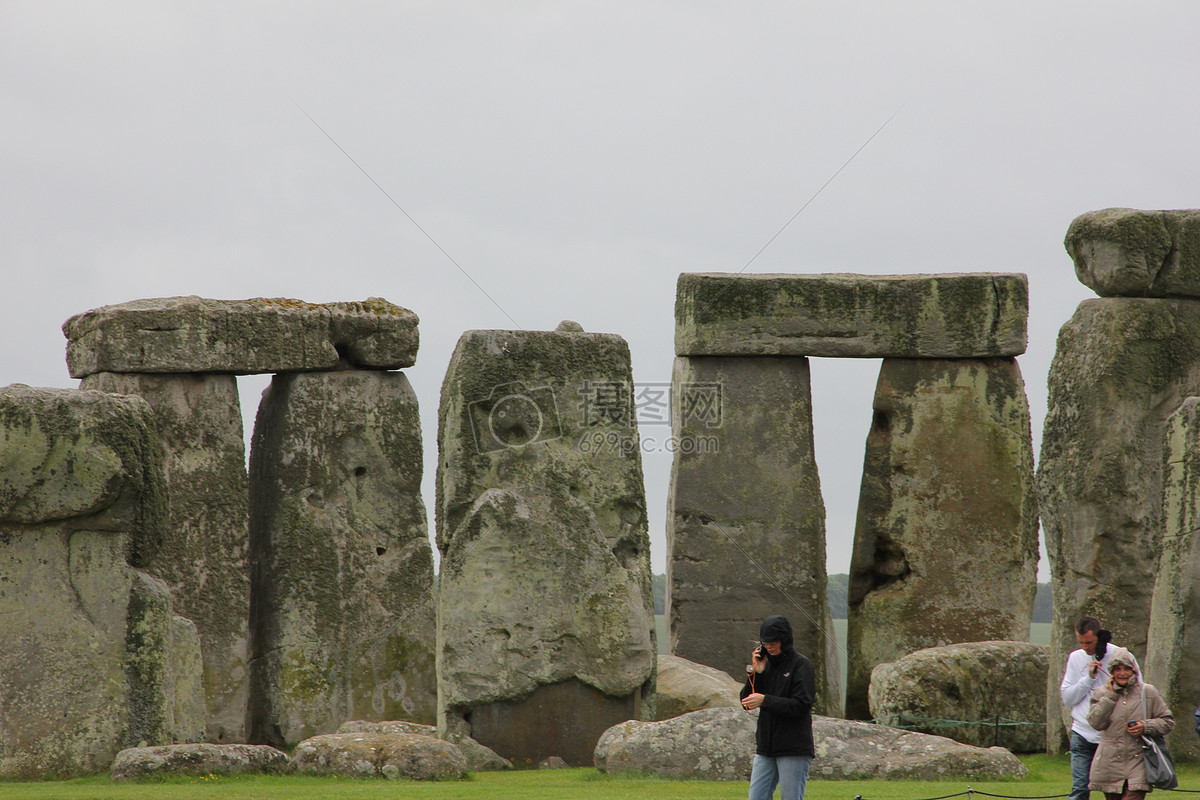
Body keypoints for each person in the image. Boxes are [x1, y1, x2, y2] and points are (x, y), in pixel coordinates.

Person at [739, 615, 815, 800]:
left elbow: (801, 705)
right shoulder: (767, 664)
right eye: (765, 642)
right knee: (756, 797)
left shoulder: (801, 665)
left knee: (790, 797)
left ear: (784, 640)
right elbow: (746, 701)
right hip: (766, 747)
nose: (769, 646)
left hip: (793, 747)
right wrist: (756, 673)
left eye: (774, 642)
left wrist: (766, 701)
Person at [1061, 616, 1137, 800]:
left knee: (1114, 790)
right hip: (1082, 732)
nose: (1085, 647)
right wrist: (1088, 678)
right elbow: (1068, 698)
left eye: (1089, 642)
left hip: (1112, 734)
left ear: (1099, 636)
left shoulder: (1121, 656)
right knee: (1080, 788)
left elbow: (1136, 690)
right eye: (1081, 642)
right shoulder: (1076, 657)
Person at [1086, 647, 1174, 800]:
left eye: (1127, 669)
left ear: (1134, 671)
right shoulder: (1101, 693)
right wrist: (1111, 695)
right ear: (1111, 671)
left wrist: (1145, 726)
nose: (1122, 673)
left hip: (1139, 760)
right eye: (1117, 669)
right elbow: (1096, 723)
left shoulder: (1148, 692)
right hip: (1110, 762)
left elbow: (1167, 721)